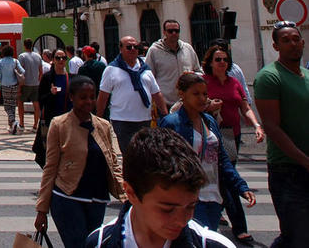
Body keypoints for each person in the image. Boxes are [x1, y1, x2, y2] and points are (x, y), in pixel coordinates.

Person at [86, 127, 237, 248]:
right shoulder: (99, 243)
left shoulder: (213, 245)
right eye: (167, 209)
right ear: (131, 193)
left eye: (191, 206)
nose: (181, 221)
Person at [35, 75, 125, 248]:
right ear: (71, 97)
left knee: (93, 244)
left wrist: (126, 195)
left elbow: (113, 163)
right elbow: (50, 167)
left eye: (92, 97)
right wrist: (42, 210)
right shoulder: (59, 124)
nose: (88, 101)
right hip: (67, 197)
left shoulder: (103, 126)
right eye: (83, 97)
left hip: (97, 200)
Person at [159, 73, 255, 231]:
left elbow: (222, 158)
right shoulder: (172, 123)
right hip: (189, 197)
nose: (202, 99)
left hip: (214, 195)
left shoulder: (209, 121)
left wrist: (241, 187)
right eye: (195, 94)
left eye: (205, 94)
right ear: (182, 94)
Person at [253, 20, 309, 248]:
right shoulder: (269, 77)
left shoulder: (305, 74)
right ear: (275, 46)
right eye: (285, 41)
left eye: (296, 39)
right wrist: (305, 160)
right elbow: (272, 127)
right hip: (288, 171)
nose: (292, 44)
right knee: (298, 236)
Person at [202, 45, 264, 242]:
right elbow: (192, 103)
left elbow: (244, 107)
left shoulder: (234, 82)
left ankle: (217, 208)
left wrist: (256, 125)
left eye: (225, 60)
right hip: (212, 134)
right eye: (218, 59)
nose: (222, 63)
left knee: (224, 175)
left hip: (231, 135)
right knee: (228, 176)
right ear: (210, 63)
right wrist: (209, 105)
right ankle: (240, 226)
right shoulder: (203, 82)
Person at [97, 36, 167, 153]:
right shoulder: (111, 69)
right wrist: (99, 119)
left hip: (144, 119)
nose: (133, 49)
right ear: (121, 49)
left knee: (145, 153)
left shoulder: (146, 70)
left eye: (136, 47)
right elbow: (103, 96)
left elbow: (156, 93)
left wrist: (165, 114)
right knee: (129, 153)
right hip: (122, 121)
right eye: (129, 47)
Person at [145, 20, 201, 106]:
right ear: (164, 32)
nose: (174, 33)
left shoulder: (188, 48)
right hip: (165, 103)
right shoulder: (154, 51)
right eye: (170, 31)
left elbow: (199, 71)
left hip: (187, 102)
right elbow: (148, 77)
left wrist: (193, 74)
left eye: (176, 31)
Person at [39, 48, 73, 126]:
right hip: (52, 120)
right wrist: (51, 93)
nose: (61, 60)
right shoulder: (47, 77)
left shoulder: (71, 78)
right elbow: (40, 99)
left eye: (64, 58)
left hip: (67, 119)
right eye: (58, 58)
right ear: (53, 60)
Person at [0, 43, 23, 134]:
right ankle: (11, 125)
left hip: (5, 85)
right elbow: (22, 71)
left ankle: (13, 121)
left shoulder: (1, 62)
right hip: (15, 85)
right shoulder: (15, 61)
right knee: (12, 105)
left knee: (7, 106)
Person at [18, 38, 44, 132]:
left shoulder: (22, 56)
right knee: (36, 104)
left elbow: (21, 72)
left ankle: (22, 124)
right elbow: (41, 71)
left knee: (20, 102)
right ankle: (35, 125)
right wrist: (39, 80)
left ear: (24, 45)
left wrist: (20, 86)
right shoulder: (38, 56)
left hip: (26, 83)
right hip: (36, 83)